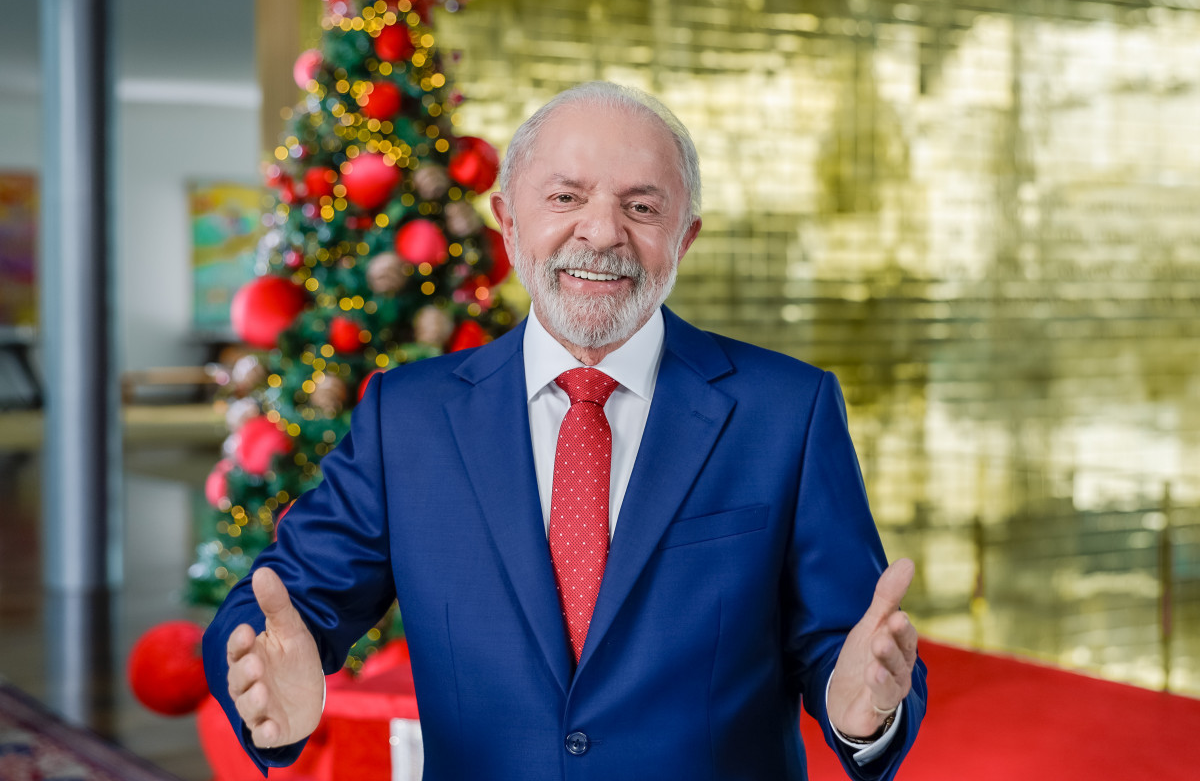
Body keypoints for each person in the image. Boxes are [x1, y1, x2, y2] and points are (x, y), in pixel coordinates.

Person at [203, 81, 927, 781]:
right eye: (565, 198)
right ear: (508, 222)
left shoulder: (788, 411)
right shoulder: (408, 418)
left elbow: (849, 645)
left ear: (685, 238)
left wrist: (859, 706)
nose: (603, 231)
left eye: (642, 206)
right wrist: (261, 676)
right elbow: (278, 605)